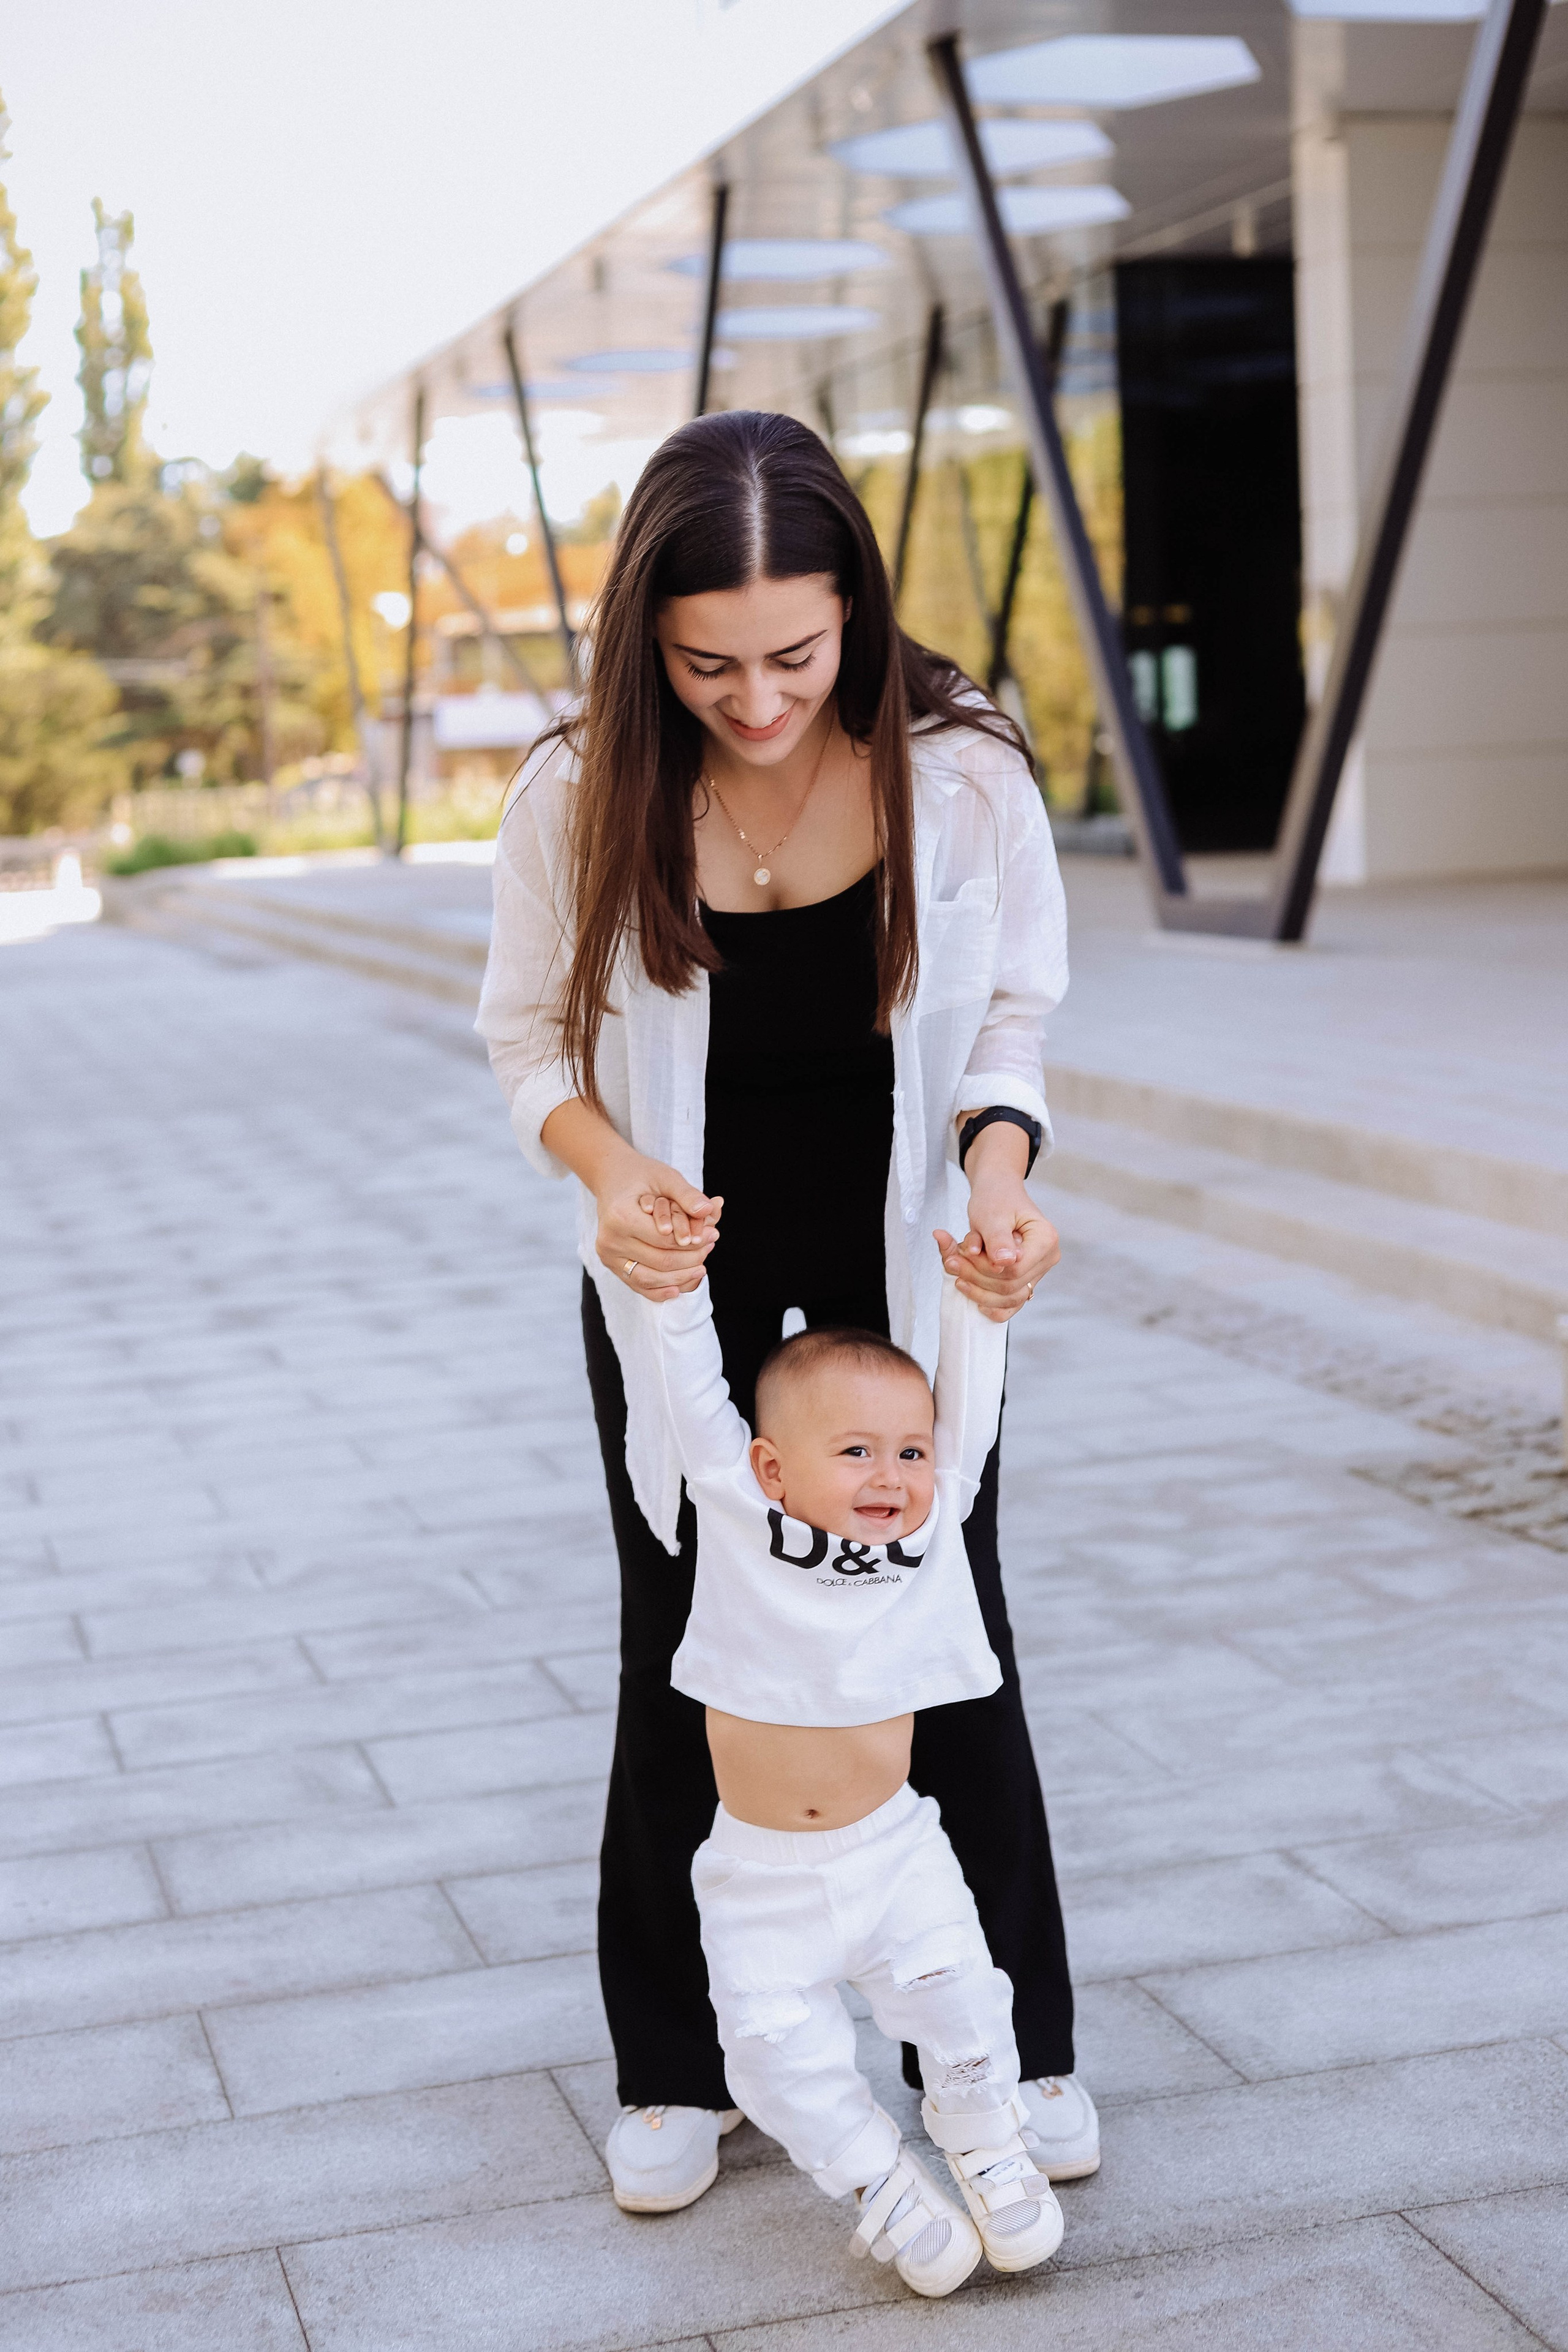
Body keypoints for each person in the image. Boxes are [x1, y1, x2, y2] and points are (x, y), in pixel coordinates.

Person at [477, 408, 1096, 2214]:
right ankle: (681, 2066)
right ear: (645, 642)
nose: (756, 698)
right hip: (684, 1261)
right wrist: (612, 1181)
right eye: (707, 662)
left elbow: (1011, 1023)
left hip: (914, 1261)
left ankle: (1014, 2049)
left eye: (797, 655)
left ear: (858, 615)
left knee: (943, 1618)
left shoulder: (963, 770)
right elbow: (530, 1040)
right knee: (687, 1635)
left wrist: (1000, 1178)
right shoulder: (583, 786)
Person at [646, 1256, 1063, 2296]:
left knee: (964, 1999)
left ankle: (984, 2139)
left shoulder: (931, 1531)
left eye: (909, 1450)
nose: (892, 1475)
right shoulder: (738, 1512)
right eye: (857, 1451)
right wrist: (673, 1288)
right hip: (761, 1875)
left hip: (894, 1853)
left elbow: (969, 1396)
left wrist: (979, 1296)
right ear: (773, 1469)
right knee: (774, 2055)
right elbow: (692, 1389)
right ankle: (881, 2184)